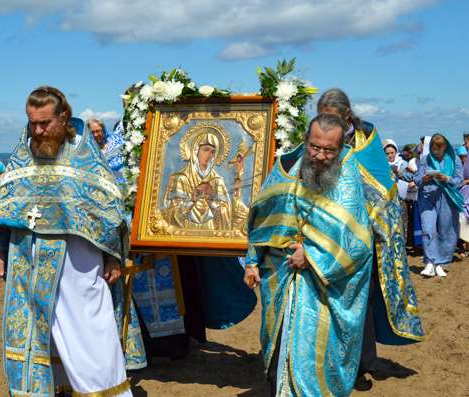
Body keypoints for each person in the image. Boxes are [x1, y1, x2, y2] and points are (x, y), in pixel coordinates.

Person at [0, 86, 131, 396]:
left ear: (64, 117)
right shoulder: (23, 152)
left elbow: (110, 211)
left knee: (89, 331)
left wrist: (114, 257)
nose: (37, 131)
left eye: (45, 123)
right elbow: (5, 205)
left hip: (77, 264)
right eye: (32, 123)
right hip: (25, 260)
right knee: (36, 333)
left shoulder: (85, 157)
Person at [245, 113, 374, 395]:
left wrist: (313, 256)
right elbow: (262, 214)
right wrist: (252, 261)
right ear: (306, 140)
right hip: (280, 280)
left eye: (329, 150)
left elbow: (358, 240)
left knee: (312, 354)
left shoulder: (348, 175)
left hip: (321, 289)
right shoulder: (288, 166)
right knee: (279, 351)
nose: (320, 155)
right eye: (314, 147)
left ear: (341, 149)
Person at [317, 88, 424, 390]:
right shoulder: (318, 137)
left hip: (365, 234)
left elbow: (381, 186)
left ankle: (361, 364)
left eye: (332, 116)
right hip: (330, 233)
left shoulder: (367, 138)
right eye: (322, 115)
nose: (326, 122)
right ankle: (332, 361)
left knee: (359, 300)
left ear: (347, 115)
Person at [162, 126, 232, 230]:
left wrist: (210, 200)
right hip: (184, 231)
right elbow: (169, 213)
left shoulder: (217, 180)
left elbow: (226, 214)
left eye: (213, 152)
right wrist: (192, 200)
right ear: (195, 151)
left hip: (211, 231)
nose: (209, 155)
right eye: (206, 150)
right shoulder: (180, 178)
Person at [414, 134, 463, 278]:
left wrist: (447, 179)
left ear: (445, 147)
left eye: (439, 150)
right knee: (428, 228)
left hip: (447, 198)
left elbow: (459, 180)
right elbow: (416, 180)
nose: (436, 152)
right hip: (427, 198)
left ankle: (440, 263)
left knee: (446, 230)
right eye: (434, 149)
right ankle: (429, 262)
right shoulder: (425, 160)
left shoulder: (455, 160)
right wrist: (424, 179)